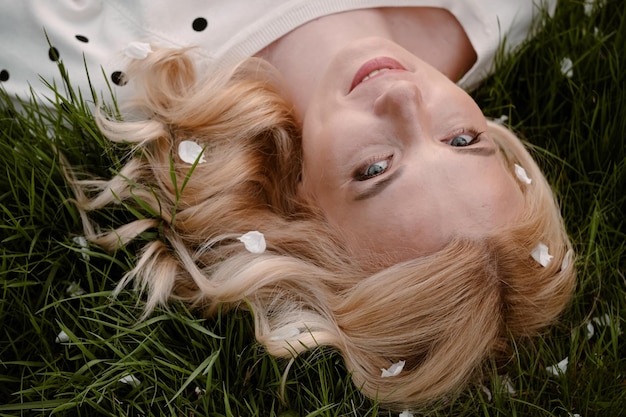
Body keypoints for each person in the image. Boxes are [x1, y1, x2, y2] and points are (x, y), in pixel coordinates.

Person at [4, 0, 576, 410]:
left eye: (375, 169)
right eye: (461, 141)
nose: (404, 96)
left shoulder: (105, 67)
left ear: (305, 208)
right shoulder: (506, 10)